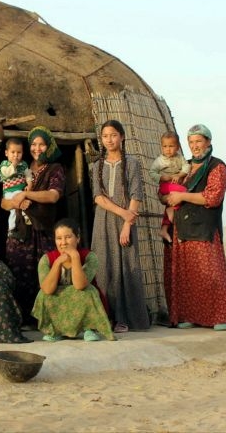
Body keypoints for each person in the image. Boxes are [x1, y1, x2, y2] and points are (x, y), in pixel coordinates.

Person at [164, 124, 226, 331]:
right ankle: (189, 315)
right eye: (191, 142)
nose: (195, 146)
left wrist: (182, 196)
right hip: (182, 227)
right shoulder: (184, 167)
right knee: (187, 276)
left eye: (199, 141)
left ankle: (219, 317)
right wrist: (167, 197)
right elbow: (167, 188)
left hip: (204, 227)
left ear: (208, 142)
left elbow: (212, 197)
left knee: (210, 274)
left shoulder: (216, 167)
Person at [2, 126, 65, 327]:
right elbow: (4, 202)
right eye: (34, 144)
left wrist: (27, 194)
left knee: (45, 274)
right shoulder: (20, 167)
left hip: (43, 230)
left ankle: (46, 320)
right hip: (20, 231)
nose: (37, 148)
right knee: (19, 274)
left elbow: (53, 195)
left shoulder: (55, 169)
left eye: (42, 144)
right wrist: (16, 202)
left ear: (49, 146)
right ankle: (22, 320)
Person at [90, 120, 151, 333]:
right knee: (104, 267)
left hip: (126, 222)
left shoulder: (132, 163)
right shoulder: (97, 166)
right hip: (103, 222)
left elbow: (136, 195)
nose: (109, 140)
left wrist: (127, 223)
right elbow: (98, 197)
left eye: (114, 135)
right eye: (105, 136)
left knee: (126, 267)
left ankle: (124, 318)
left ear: (122, 137)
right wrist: (123, 212)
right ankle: (105, 317)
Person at [32, 218, 114, 342]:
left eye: (68, 237)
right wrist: (58, 263)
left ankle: (89, 328)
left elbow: (80, 285)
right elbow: (48, 289)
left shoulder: (89, 257)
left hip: (82, 298)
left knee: (88, 291)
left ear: (78, 238)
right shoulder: (47, 259)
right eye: (59, 238)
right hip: (58, 301)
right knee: (43, 294)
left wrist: (75, 257)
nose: (63, 243)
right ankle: (55, 330)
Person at [149, 131, 190, 243]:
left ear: (177, 147)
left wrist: (180, 175)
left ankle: (164, 229)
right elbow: (152, 173)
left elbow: (187, 167)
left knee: (174, 203)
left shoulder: (180, 158)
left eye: (171, 146)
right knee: (185, 192)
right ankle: (172, 211)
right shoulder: (159, 161)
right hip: (165, 186)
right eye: (165, 146)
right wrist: (163, 177)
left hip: (174, 186)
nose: (168, 149)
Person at [0, 137, 33, 236]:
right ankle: (12, 227)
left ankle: (22, 220)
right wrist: (14, 165)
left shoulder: (24, 164)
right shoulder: (4, 165)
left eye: (19, 152)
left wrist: (29, 184)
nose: (16, 155)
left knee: (21, 205)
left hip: (20, 191)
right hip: (9, 192)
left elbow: (28, 174)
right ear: (6, 153)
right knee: (13, 210)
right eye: (13, 152)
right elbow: (7, 173)